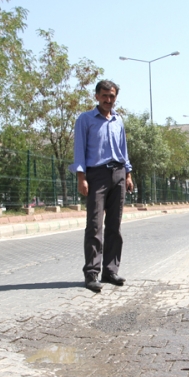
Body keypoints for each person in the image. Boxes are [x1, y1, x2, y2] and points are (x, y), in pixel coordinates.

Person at [70, 80, 134, 292]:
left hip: (118, 174)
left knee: (114, 226)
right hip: (96, 175)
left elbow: (123, 149)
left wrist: (128, 174)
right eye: (105, 96)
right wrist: (82, 177)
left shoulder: (118, 120)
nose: (108, 100)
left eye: (112, 96)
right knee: (95, 225)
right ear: (97, 96)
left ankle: (110, 271)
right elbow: (79, 150)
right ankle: (91, 274)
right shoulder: (85, 119)